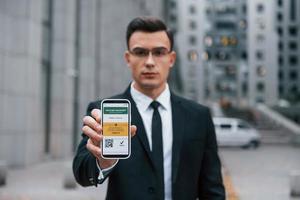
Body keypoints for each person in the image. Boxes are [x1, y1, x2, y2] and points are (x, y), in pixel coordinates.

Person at [73, 16, 225, 200]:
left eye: (159, 52)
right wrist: (103, 161)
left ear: (171, 58)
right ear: (128, 58)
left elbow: (212, 188)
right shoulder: (103, 113)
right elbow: (81, 173)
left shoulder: (198, 116)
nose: (150, 62)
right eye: (141, 52)